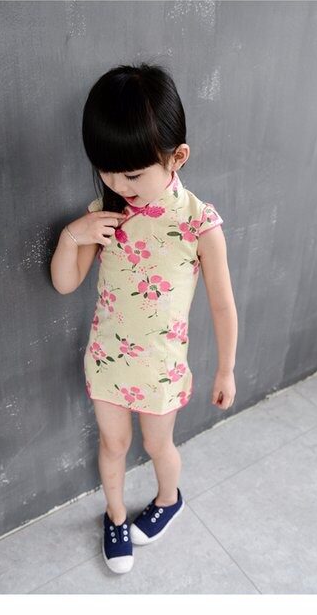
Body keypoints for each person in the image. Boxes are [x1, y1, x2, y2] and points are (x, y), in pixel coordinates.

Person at [50, 62, 238, 574]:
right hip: (109, 360)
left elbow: (223, 304)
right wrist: (72, 235)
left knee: (158, 445)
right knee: (113, 443)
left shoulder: (200, 224)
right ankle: (114, 516)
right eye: (106, 170)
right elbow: (66, 282)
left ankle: (168, 499)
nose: (117, 183)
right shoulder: (105, 213)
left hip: (160, 367)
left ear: (177, 157)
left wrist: (225, 369)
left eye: (132, 174)